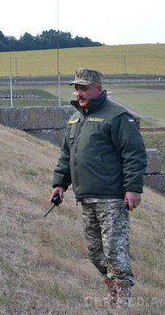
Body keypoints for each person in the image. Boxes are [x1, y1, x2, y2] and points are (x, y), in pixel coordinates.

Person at [50, 68, 147, 309]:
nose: (78, 92)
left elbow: (134, 155)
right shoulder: (75, 118)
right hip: (86, 197)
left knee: (115, 252)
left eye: (83, 88)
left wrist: (133, 188)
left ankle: (123, 302)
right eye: (76, 88)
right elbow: (67, 155)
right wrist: (60, 184)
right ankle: (112, 292)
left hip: (113, 199)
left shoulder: (118, 117)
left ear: (98, 89)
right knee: (96, 253)